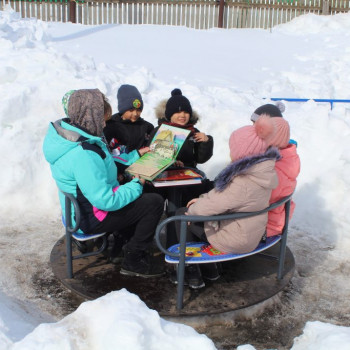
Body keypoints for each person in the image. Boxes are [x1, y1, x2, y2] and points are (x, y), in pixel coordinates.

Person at [43, 89, 164, 278]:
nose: (105, 123)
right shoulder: (84, 153)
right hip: (90, 216)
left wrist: (136, 155)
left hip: (81, 208)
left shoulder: (73, 136)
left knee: (135, 197)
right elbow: (105, 201)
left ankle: (120, 246)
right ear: (90, 116)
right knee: (153, 203)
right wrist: (137, 184)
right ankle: (133, 259)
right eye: (102, 118)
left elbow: (106, 161)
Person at [174, 116, 280, 289]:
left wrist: (194, 206)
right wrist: (201, 200)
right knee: (196, 210)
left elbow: (211, 206)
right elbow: (222, 198)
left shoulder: (242, 181)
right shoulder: (262, 173)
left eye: (233, 149)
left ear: (241, 152)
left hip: (234, 238)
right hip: (249, 231)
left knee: (181, 216)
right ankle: (210, 270)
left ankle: (193, 270)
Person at [103, 84, 154, 182]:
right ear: (122, 108)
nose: (135, 113)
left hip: (143, 173)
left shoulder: (147, 127)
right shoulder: (110, 126)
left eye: (139, 110)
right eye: (131, 110)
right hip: (119, 173)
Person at [265, 117, 300, 237]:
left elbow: (261, 198)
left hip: (266, 225)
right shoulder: (289, 157)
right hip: (277, 218)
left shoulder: (276, 167)